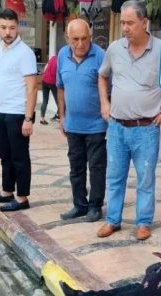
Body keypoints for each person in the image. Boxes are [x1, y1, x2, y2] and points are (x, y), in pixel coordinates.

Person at [97, 0, 161, 241]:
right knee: (114, 176)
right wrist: (105, 103)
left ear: (144, 22)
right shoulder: (115, 49)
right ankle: (112, 221)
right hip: (116, 127)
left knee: (146, 179)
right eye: (123, 23)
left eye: (130, 23)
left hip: (146, 129)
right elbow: (102, 76)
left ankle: (143, 222)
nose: (125, 28)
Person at [0, 8, 38, 212]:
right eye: (4, 28)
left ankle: (23, 198)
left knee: (19, 156)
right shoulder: (1, 49)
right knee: (4, 154)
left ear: (18, 28)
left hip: (18, 113)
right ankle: (7, 191)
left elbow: (32, 88)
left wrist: (28, 118)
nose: (8, 32)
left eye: (12, 28)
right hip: (4, 111)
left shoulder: (25, 53)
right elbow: (2, 81)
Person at [56, 19, 108, 223]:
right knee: (75, 167)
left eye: (84, 38)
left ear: (91, 37)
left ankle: (95, 206)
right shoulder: (62, 55)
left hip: (96, 125)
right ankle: (79, 205)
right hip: (73, 125)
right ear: (67, 38)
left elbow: (109, 90)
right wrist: (62, 116)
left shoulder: (100, 56)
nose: (80, 44)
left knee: (96, 168)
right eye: (75, 39)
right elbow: (60, 87)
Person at [40, 53, 59, 125]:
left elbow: (45, 67)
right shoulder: (61, 60)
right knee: (58, 100)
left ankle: (42, 119)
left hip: (44, 80)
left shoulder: (53, 58)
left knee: (45, 100)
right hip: (53, 82)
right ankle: (59, 117)